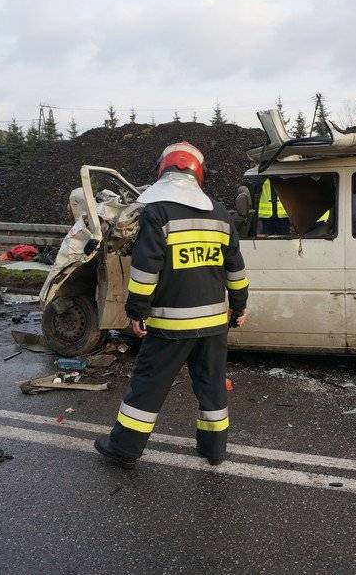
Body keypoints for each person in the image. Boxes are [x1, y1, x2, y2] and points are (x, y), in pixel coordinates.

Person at [94, 142, 249, 468]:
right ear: (198, 174)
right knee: (212, 385)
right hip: (213, 323)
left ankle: (123, 448)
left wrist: (137, 311)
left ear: (163, 170)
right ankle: (214, 449)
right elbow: (235, 268)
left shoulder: (157, 212)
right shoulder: (220, 213)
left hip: (170, 324)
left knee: (148, 386)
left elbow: (145, 270)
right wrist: (239, 306)